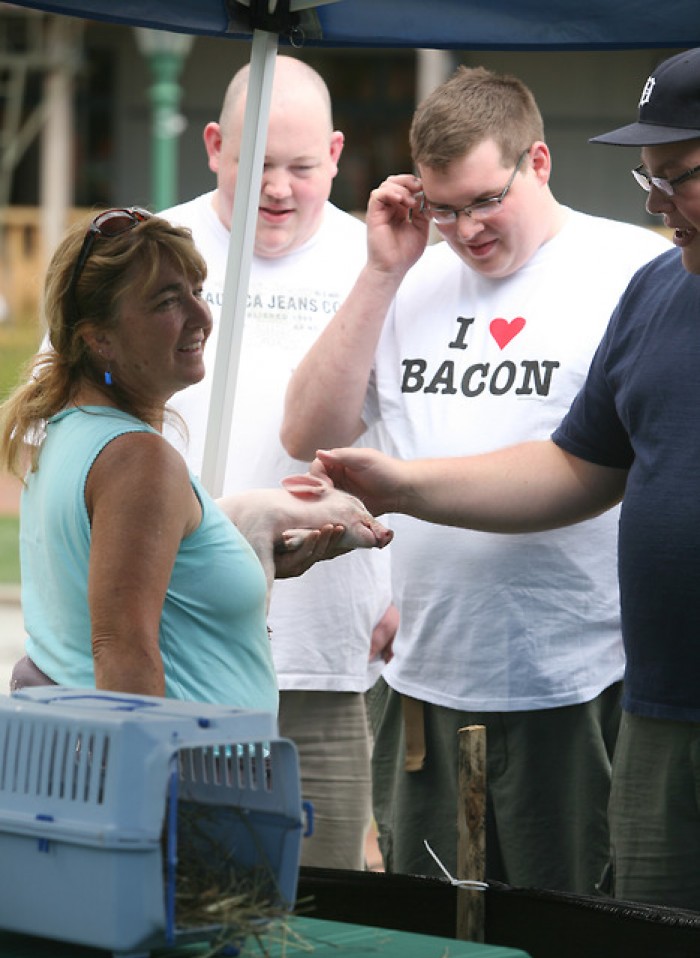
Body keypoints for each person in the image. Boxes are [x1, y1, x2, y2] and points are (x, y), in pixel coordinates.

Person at [301, 49, 700, 913]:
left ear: (537, 162)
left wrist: (409, 484)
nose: (467, 229)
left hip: (585, 679)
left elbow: (580, 468)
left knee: (582, 931)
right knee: (463, 935)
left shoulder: (627, 268)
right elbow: (572, 466)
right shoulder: (649, 290)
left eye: (485, 200)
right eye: (444, 209)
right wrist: (381, 273)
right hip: (502, 683)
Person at [160, 56, 395, 870]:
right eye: (256, 161)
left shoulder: (381, 262)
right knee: (185, 884)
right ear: (213, 145)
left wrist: (406, 586)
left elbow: (423, 436)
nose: (278, 188)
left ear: (335, 153)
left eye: (300, 166)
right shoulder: (152, 251)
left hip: (322, 651)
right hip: (173, 639)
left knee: (324, 892)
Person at [0, 209, 347, 709]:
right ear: (99, 338)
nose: (201, 316)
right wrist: (148, 762)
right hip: (184, 757)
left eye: (197, 291)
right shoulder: (136, 458)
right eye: (167, 301)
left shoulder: (69, 427)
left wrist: (228, 558)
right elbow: (122, 653)